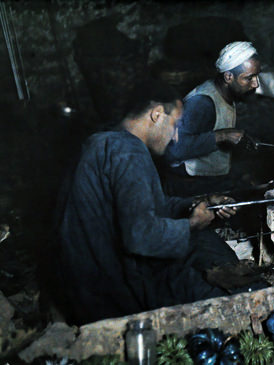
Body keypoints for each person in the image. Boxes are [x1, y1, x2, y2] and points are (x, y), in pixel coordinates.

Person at [54, 82, 240, 325]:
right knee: (217, 291)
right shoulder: (128, 153)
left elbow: (150, 205)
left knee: (202, 249)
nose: (175, 137)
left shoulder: (106, 140)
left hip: (84, 278)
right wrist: (192, 224)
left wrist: (200, 202)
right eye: (175, 125)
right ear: (157, 114)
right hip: (105, 288)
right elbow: (140, 236)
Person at [163, 41, 261, 197]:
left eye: (257, 75)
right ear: (229, 76)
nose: (256, 84)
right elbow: (173, 151)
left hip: (207, 179)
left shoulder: (226, 94)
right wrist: (223, 136)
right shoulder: (202, 103)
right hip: (187, 186)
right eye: (249, 78)